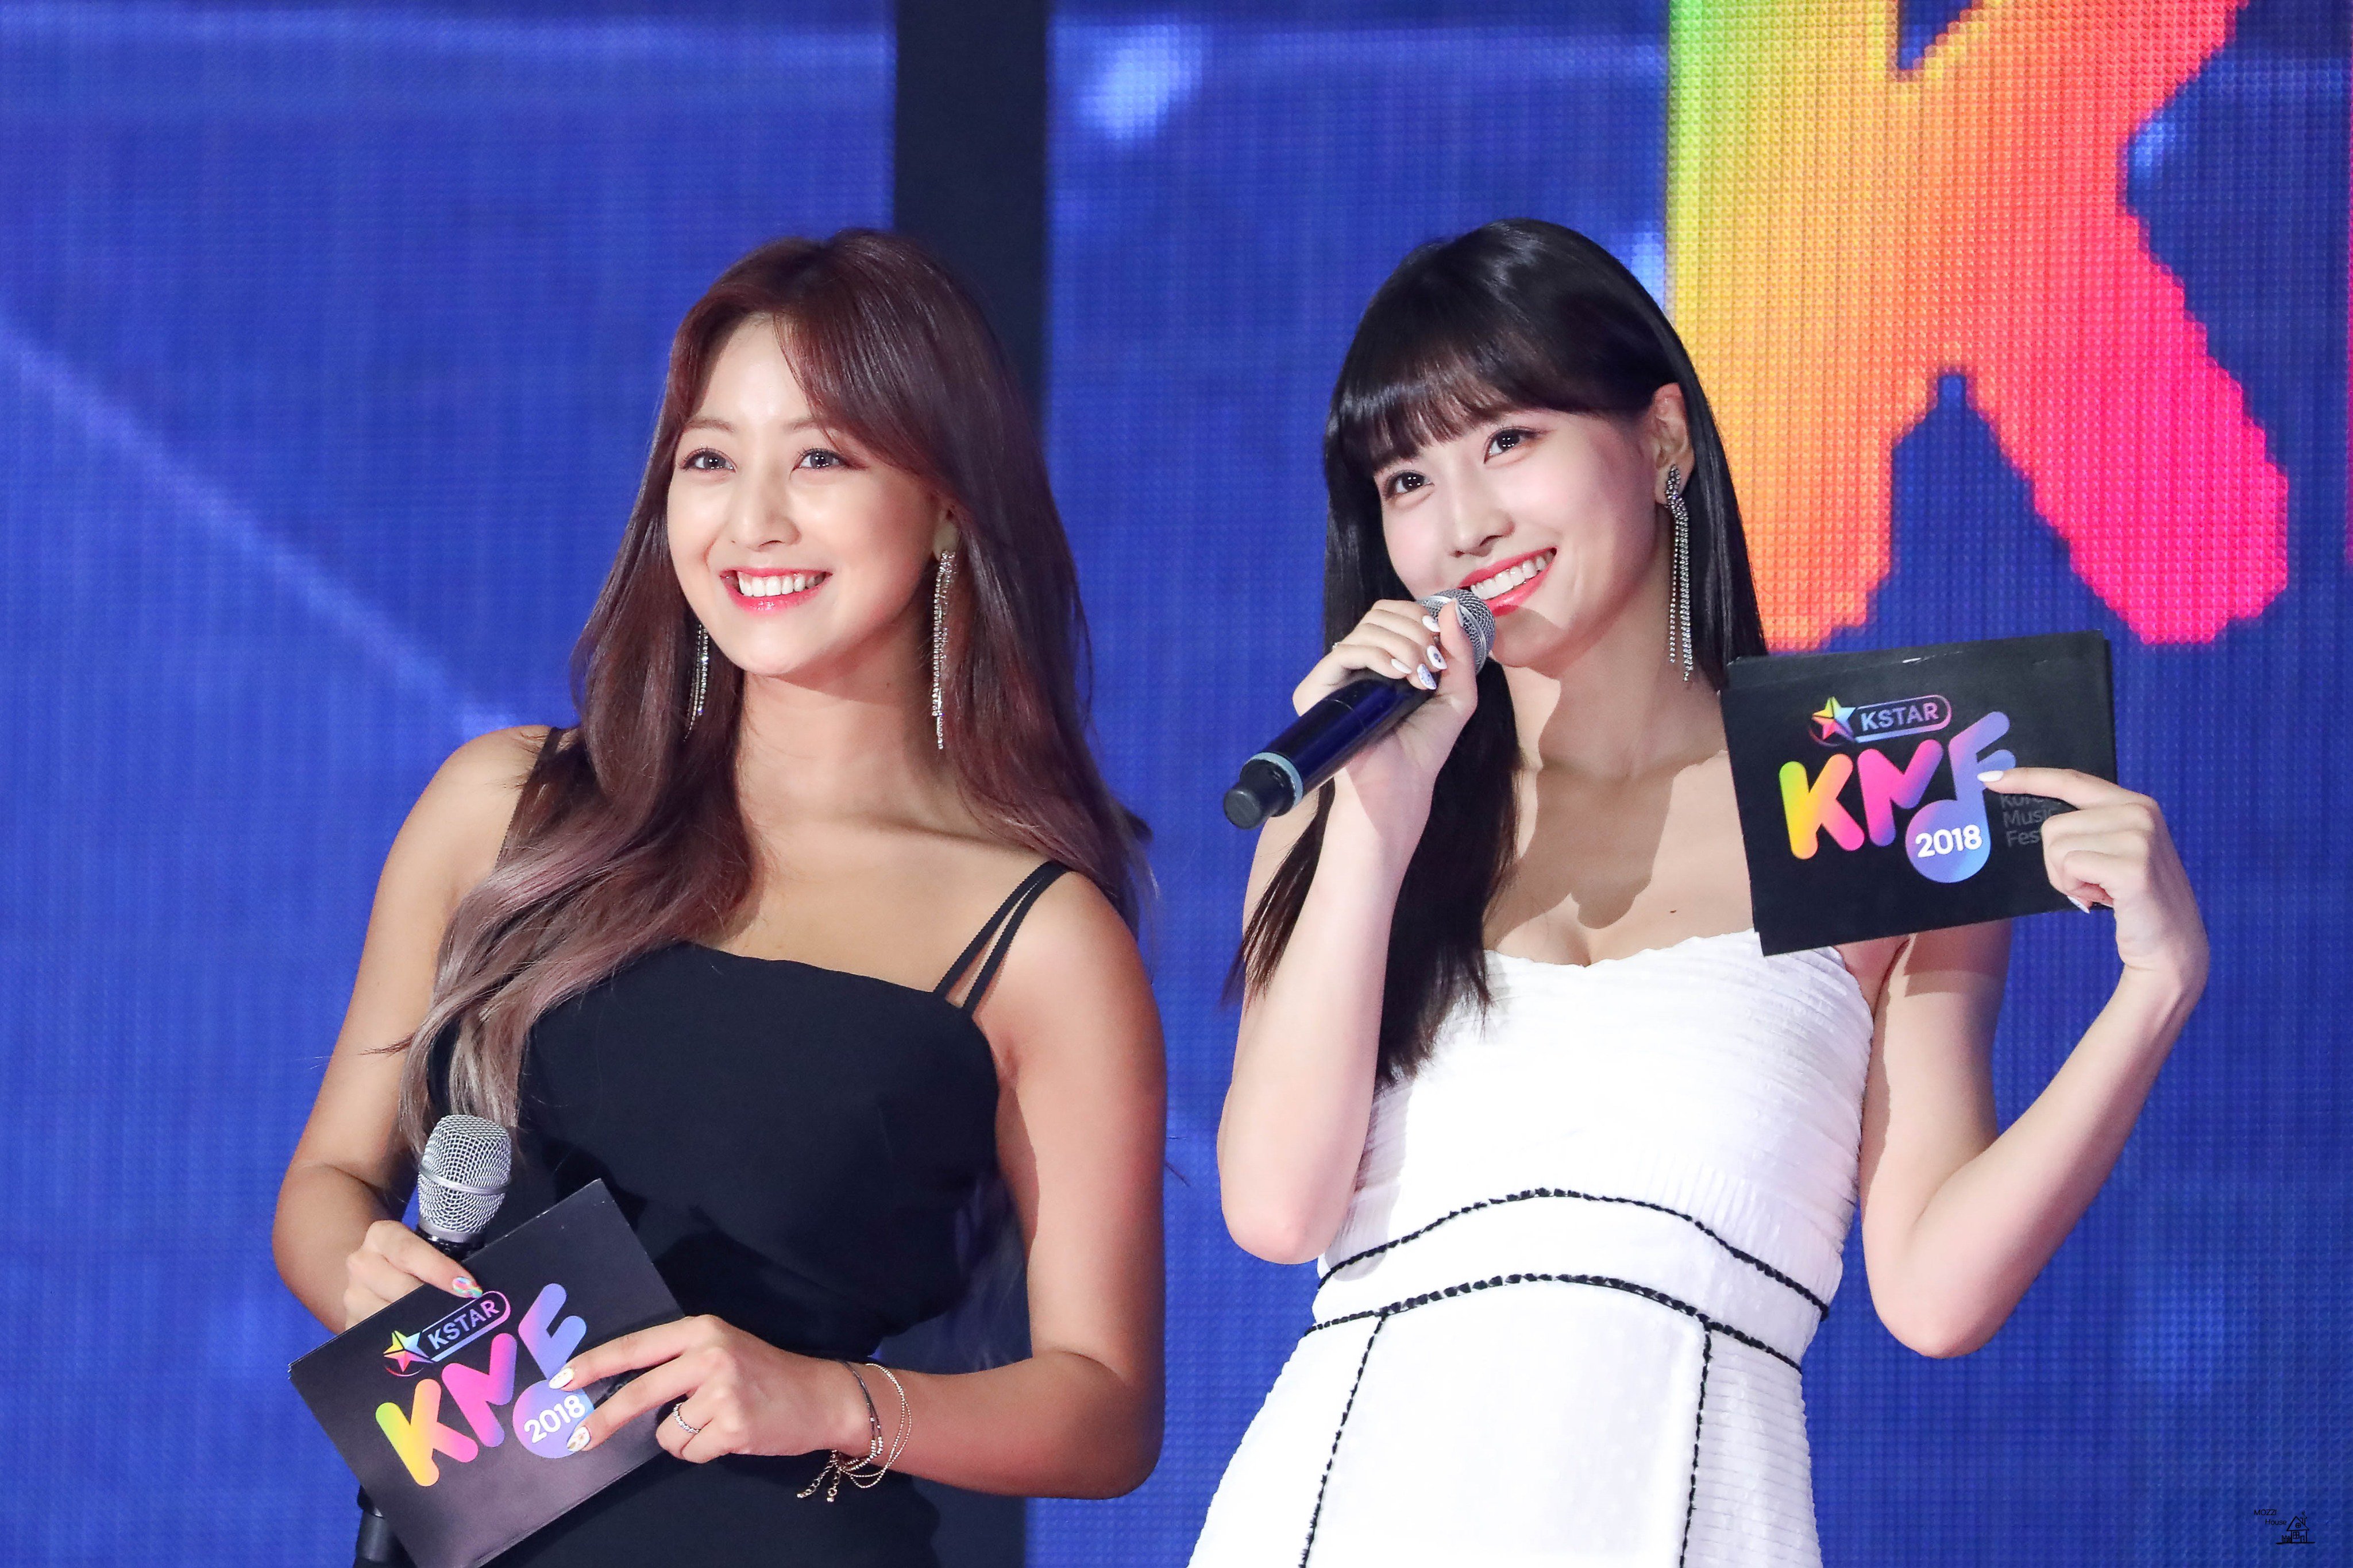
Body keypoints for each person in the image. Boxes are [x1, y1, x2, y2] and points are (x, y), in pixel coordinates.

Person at [1190, 219, 2205, 1566]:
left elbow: (1933, 1292)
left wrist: (2153, 990)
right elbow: (1274, 1210)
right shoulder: (1355, 803)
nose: (1463, 522)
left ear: (1661, 440)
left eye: (1509, 440)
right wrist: (1376, 819)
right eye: (1405, 479)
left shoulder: (1878, 791)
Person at [272, 230, 1166, 1566]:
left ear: (944, 505)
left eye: (820, 459)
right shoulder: (505, 810)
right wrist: (360, 1266)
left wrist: (824, 1398)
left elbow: (1104, 1408)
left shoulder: (1037, 939)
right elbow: (327, 1183)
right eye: (708, 460)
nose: (752, 522)